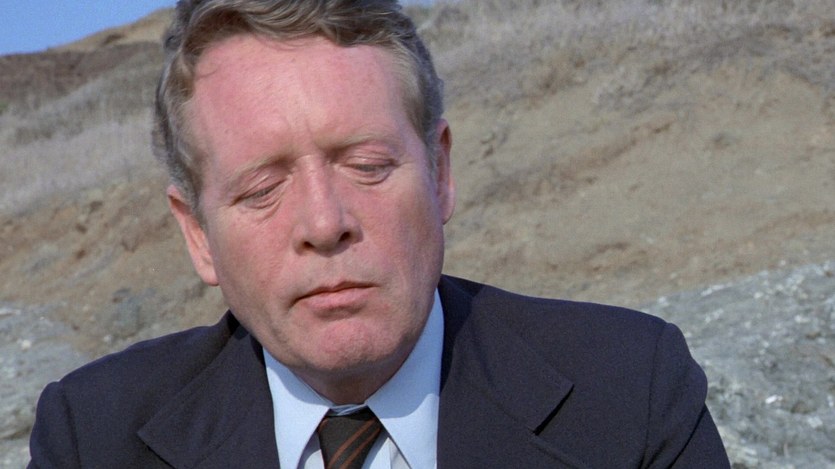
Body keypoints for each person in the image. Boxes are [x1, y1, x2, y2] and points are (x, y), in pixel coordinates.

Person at [28, 1, 730, 467]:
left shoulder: (629, 391)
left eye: (366, 165)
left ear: (440, 172)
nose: (324, 223)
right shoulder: (92, 438)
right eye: (262, 188)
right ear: (198, 234)